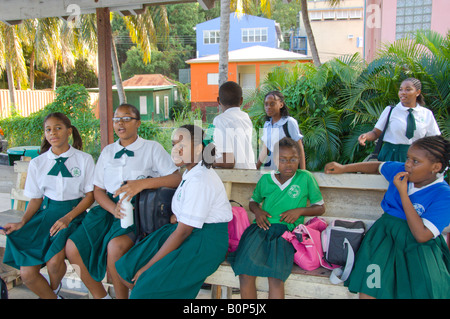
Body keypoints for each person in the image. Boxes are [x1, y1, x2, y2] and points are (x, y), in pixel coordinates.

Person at [65, 104, 181, 299]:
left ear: (138, 123)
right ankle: (100, 295)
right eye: (116, 119)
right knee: (72, 247)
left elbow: (176, 178)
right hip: (108, 210)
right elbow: (98, 190)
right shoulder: (108, 151)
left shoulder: (151, 148)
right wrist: (112, 209)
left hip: (137, 210)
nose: (120, 123)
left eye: (126, 118)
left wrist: (142, 184)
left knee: (115, 247)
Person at [324, 135, 450, 299]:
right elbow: (378, 166)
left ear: (436, 167)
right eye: (408, 158)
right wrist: (343, 168)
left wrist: (403, 193)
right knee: (370, 289)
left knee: (425, 289)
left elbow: (422, 235)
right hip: (384, 240)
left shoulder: (443, 195)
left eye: (416, 161)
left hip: (417, 248)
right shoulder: (401, 172)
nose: (407, 164)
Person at [115, 124, 232, 298]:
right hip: (185, 231)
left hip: (204, 242)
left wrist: (149, 267)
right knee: (128, 268)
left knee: (144, 287)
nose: (176, 150)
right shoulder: (190, 172)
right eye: (173, 144)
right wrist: (177, 215)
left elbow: (183, 232)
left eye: (182, 145)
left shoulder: (200, 179)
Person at [1, 112, 95, 299]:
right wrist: (23, 222)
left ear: (69, 131)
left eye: (58, 128)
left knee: (54, 263)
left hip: (74, 216)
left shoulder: (84, 159)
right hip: (45, 216)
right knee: (27, 274)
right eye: (48, 129)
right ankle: (54, 295)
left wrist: (68, 217)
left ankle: (53, 289)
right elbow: (36, 199)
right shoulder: (38, 163)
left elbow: (90, 196)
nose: (53, 133)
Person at [230, 137, 325, 298]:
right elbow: (253, 202)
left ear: (299, 159)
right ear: (275, 161)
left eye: (293, 159)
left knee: (276, 277)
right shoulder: (266, 179)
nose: (288, 164)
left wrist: (299, 211)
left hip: (285, 234)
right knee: (245, 274)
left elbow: (320, 207)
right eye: (283, 160)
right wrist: (258, 212)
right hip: (260, 230)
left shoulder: (305, 178)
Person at [358, 78, 440, 162]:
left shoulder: (426, 114)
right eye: (401, 90)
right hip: (390, 156)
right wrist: (366, 136)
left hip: (415, 158)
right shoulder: (391, 110)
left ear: (418, 92)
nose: (403, 92)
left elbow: (435, 139)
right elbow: (376, 133)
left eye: (408, 89)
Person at [256, 91, 306, 170]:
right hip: (270, 170)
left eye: (272, 104)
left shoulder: (289, 122)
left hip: (287, 171)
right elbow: (265, 150)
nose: (268, 107)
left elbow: (299, 147)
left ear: (281, 104)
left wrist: (304, 172)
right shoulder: (267, 125)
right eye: (266, 104)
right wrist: (255, 168)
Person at [212, 81, 256, 169]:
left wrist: (208, 162)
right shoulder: (245, 117)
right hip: (250, 172)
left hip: (235, 178)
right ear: (241, 100)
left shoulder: (220, 120)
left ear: (218, 101)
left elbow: (228, 162)